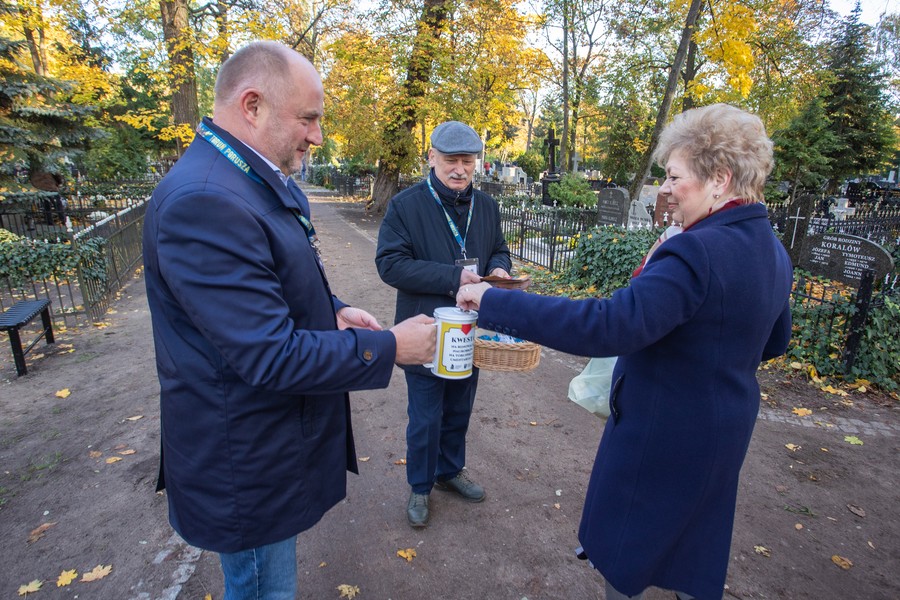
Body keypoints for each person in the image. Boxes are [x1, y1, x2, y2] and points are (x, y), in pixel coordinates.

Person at [458, 104, 793, 600]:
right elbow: (775, 340)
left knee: (628, 551)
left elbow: (609, 326)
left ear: (720, 179)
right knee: (693, 549)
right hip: (723, 430)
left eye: (674, 176)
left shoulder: (695, 250)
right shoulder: (770, 246)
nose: (666, 189)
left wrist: (493, 301)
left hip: (663, 432)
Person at [142, 41, 436, 600]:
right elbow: (268, 353)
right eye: (308, 118)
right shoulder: (206, 200)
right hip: (246, 458)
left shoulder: (243, 179)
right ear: (252, 106)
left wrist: (333, 309)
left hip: (265, 443)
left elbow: (266, 280)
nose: (318, 136)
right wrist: (390, 347)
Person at [375, 120, 512, 528]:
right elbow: (390, 264)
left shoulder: (486, 206)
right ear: (432, 157)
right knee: (425, 416)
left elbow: (499, 249)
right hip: (425, 332)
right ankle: (420, 485)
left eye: (468, 161)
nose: (460, 169)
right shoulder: (406, 205)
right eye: (451, 160)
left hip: (470, 330)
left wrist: (499, 269)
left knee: (459, 408)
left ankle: (449, 471)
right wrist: (454, 278)